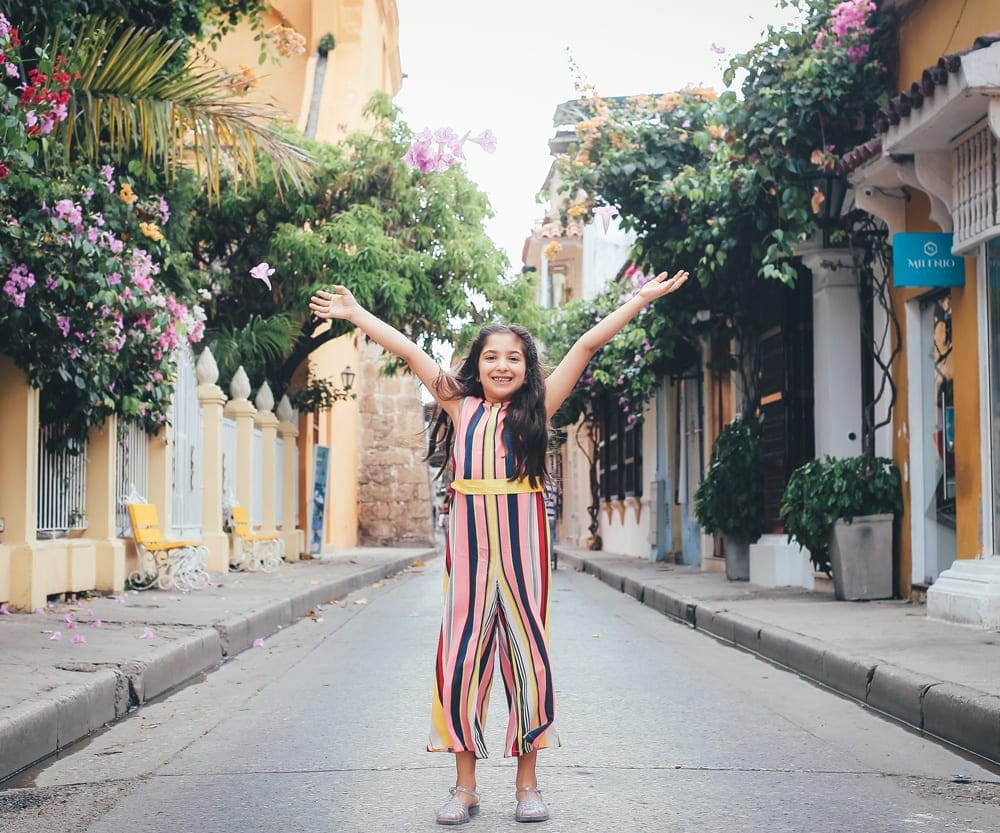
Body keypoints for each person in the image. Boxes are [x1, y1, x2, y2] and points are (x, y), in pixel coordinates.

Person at [308, 268, 688, 825]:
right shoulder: (458, 406)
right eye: (491, 357)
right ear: (476, 365)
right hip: (468, 562)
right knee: (461, 665)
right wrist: (357, 314)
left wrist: (639, 299)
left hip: (524, 563)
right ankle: (464, 789)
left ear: (526, 367)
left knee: (529, 666)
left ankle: (527, 786)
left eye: (513, 357)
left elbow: (586, 343)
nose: (502, 366)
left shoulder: (538, 409)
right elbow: (410, 350)